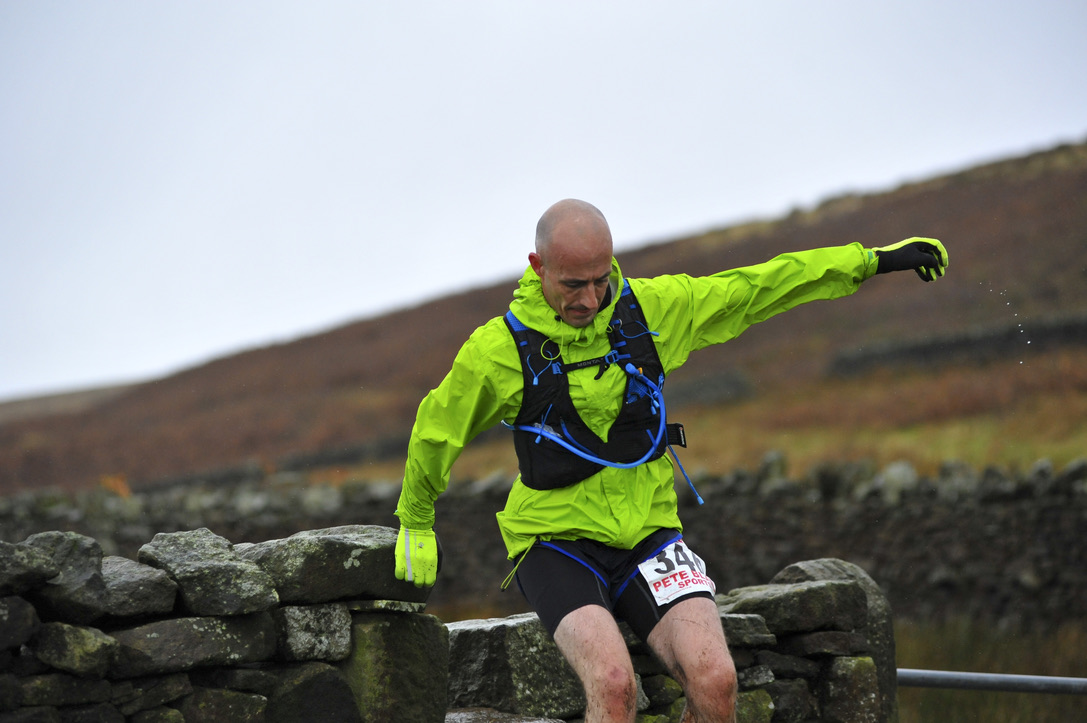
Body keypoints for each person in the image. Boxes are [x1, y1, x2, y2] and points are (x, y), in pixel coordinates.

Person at [394, 198, 948, 722]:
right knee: (613, 684)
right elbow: (435, 429)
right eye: (572, 284)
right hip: (555, 543)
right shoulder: (497, 350)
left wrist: (872, 261)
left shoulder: (654, 311)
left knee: (716, 680)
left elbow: (755, 286)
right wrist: (416, 522)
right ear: (538, 266)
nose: (589, 298)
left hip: (651, 535)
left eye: (600, 279)